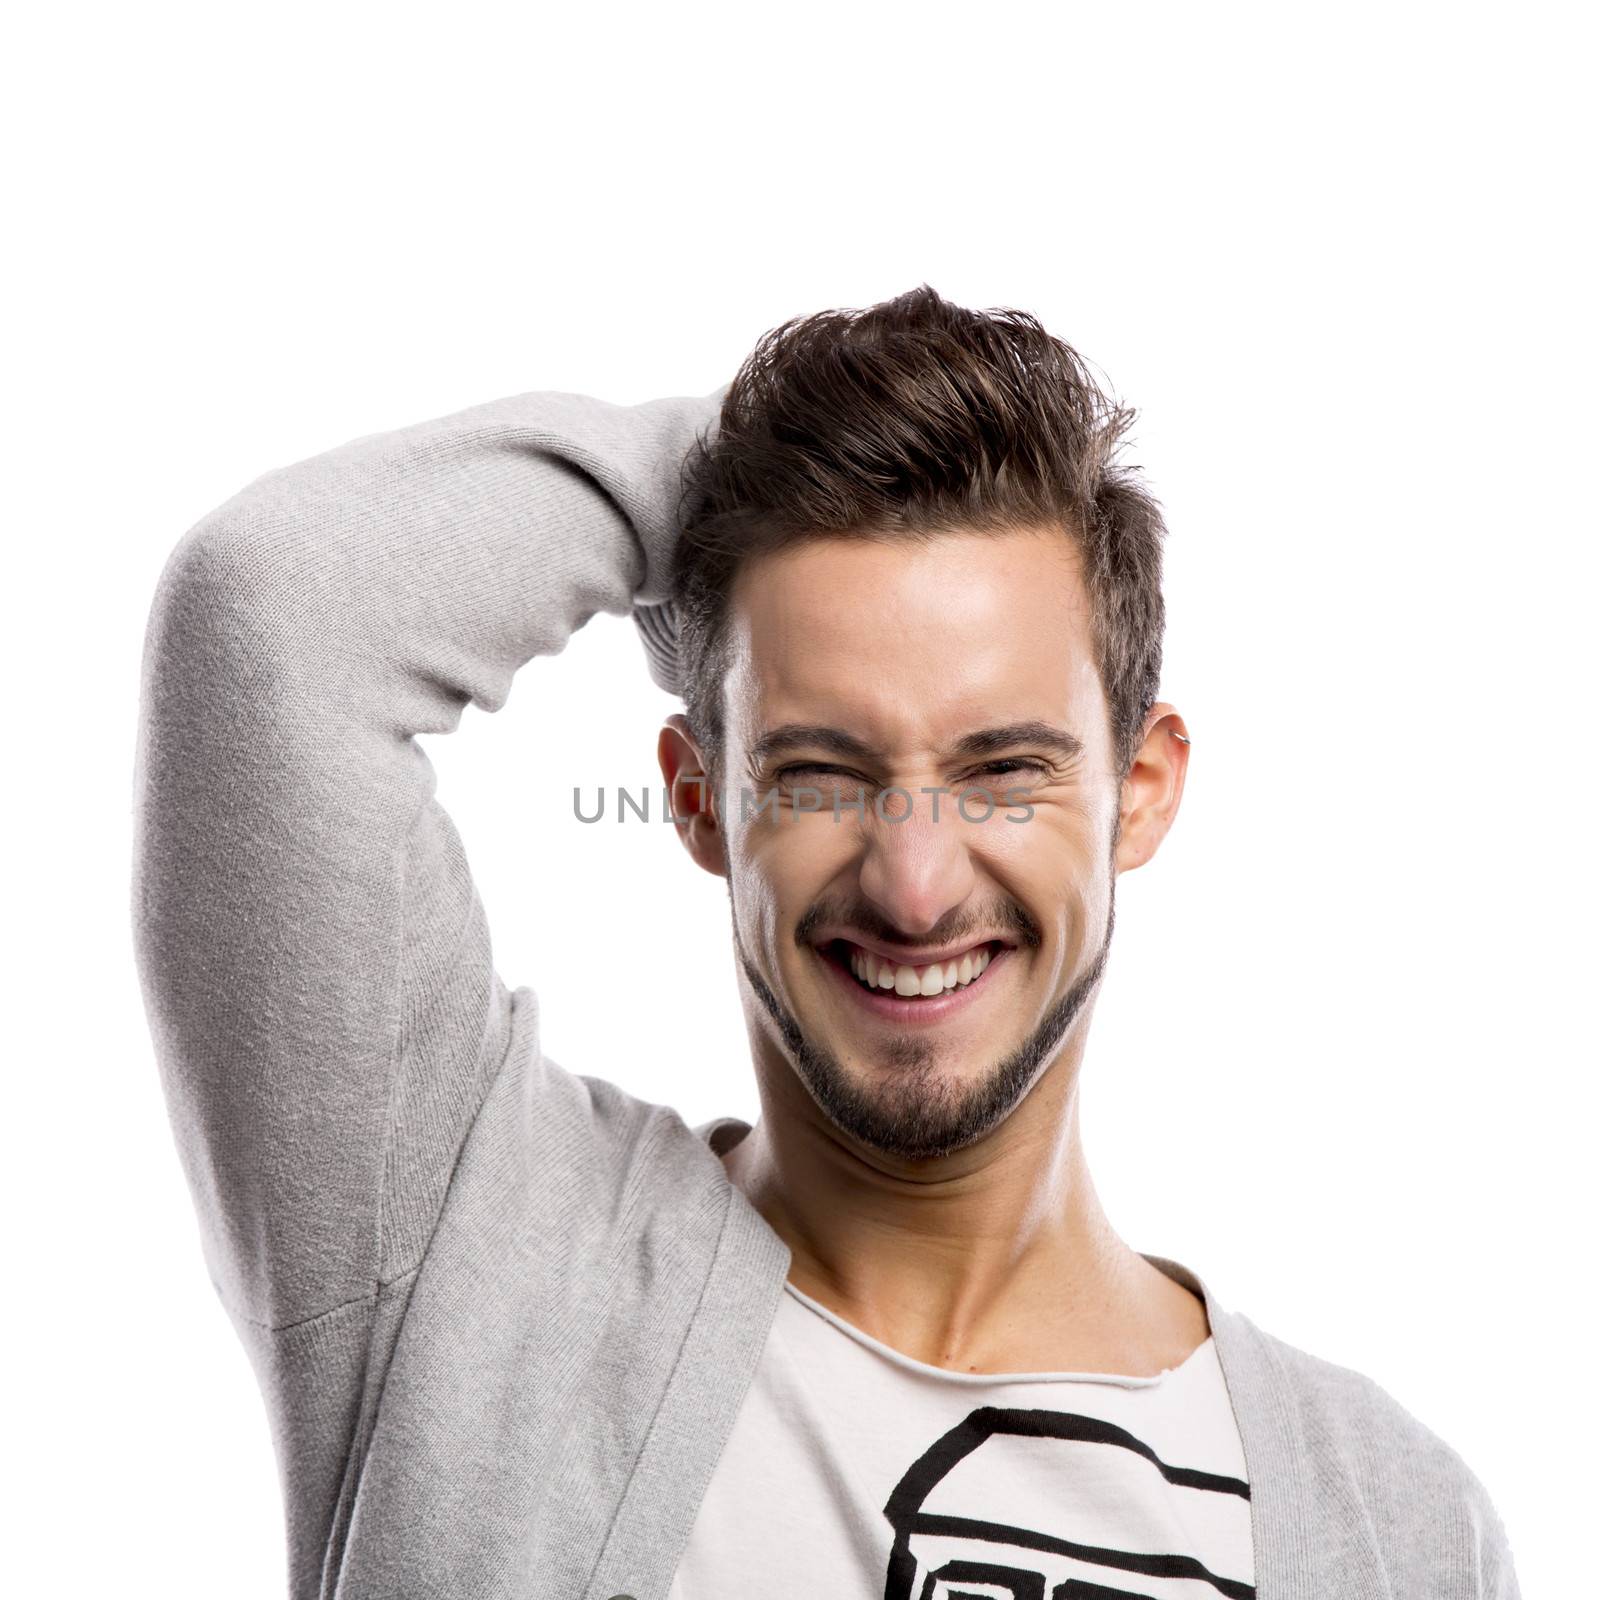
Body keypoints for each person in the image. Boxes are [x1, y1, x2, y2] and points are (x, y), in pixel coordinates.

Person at [132, 285, 1519, 1599]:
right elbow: (268, 617)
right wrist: (743, 482)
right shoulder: (471, 1266)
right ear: (698, 801)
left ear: (1139, 793)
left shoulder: (1393, 1521)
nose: (915, 887)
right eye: (821, 771)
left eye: (1002, 769)